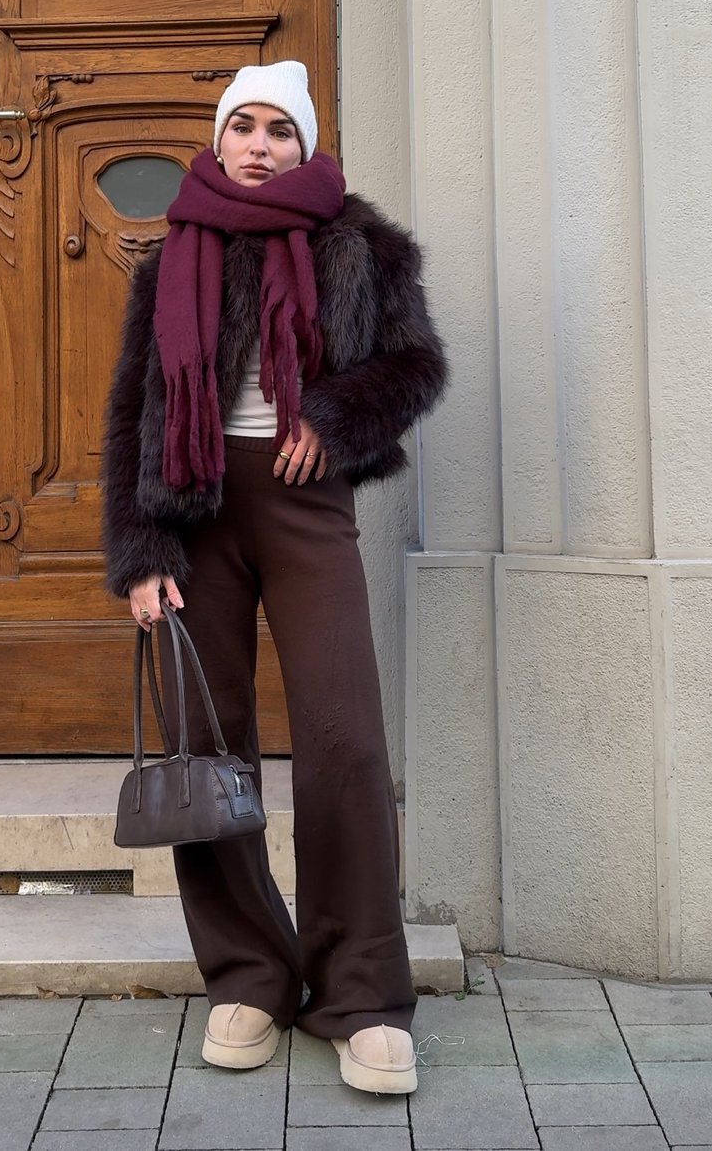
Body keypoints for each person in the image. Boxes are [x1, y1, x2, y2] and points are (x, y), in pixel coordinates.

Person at [102, 60, 447, 1095]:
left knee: (342, 737)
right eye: (242, 127)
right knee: (207, 746)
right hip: (190, 516)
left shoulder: (360, 245)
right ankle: (249, 973)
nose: (259, 146)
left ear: (305, 145)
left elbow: (412, 364)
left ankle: (361, 992)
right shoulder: (168, 263)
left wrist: (331, 421)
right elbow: (130, 413)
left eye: (278, 131)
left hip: (305, 504)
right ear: (219, 141)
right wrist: (138, 551)